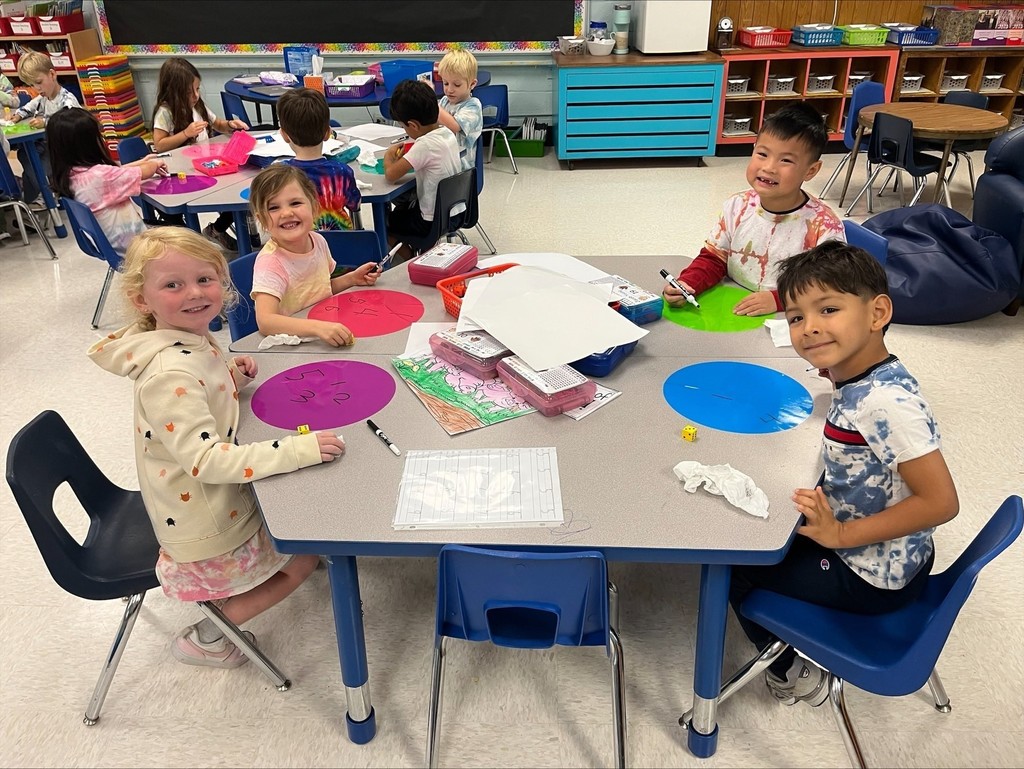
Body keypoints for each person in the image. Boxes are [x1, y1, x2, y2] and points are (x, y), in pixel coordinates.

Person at [87, 227, 344, 668]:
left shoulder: (185, 335)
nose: (194, 293)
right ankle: (208, 636)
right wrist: (296, 450)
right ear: (142, 300)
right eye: (173, 284)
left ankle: (221, 612)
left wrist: (230, 376)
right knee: (302, 562)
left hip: (201, 500)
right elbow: (206, 460)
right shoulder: (169, 372)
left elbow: (197, 397)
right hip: (205, 516)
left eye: (204, 279)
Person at [728, 241, 959, 706]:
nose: (809, 327)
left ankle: (789, 672)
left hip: (870, 573)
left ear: (878, 313)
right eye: (796, 317)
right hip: (890, 550)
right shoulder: (863, 374)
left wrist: (841, 535)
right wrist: (835, 372)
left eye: (828, 309)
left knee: (734, 564)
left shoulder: (884, 402)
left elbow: (941, 502)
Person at [664, 102, 845, 317]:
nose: (769, 167)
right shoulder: (737, 206)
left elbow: (828, 286)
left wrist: (779, 299)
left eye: (786, 160)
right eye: (762, 154)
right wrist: (687, 283)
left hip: (789, 319)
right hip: (733, 309)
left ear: (811, 170)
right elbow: (714, 258)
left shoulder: (825, 226)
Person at [248, 164, 379, 345]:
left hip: (323, 335)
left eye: (295, 203)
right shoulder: (271, 263)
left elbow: (319, 290)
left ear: (314, 206)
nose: (286, 213)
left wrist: (352, 279)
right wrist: (317, 327)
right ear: (261, 219)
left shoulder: (318, 241)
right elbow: (266, 321)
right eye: (273, 208)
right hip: (293, 346)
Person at [150, 57, 247, 251]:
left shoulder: (198, 106)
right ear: (173, 91)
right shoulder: (165, 112)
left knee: (238, 196)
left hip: (207, 167)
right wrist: (186, 133)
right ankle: (192, 244)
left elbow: (217, 124)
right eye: (189, 92)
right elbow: (159, 145)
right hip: (182, 175)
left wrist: (230, 125)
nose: (195, 96)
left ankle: (216, 230)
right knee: (179, 215)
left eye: (197, 89)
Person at [47, 108, 167, 256]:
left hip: (113, 245)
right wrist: (155, 164)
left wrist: (142, 162)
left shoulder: (71, 175)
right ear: (88, 144)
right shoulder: (102, 176)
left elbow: (115, 173)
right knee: (186, 233)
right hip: (135, 248)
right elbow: (144, 172)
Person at [383, 79, 462, 255]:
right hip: (455, 213)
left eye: (403, 126)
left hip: (430, 222)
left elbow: (391, 175)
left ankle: (410, 258)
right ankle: (421, 250)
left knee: (385, 224)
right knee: (402, 211)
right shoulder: (447, 133)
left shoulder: (424, 145)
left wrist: (388, 156)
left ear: (413, 125)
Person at [276, 87, 361, 230]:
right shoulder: (342, 171)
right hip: (341, 241)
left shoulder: (279, 174)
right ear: (328, 133)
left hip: (299, 240)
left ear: (284, 135)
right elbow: (355, 204)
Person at [11, 50, 80, 205]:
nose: (37, 88)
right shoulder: (44, 97)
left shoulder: (67, 99)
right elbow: (30, 105)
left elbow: (67, 123)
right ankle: (33, 197)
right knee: (25, 154)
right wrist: (19, 115)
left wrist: (46, 122)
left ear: (52, 74)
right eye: (32, 85)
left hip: (66, 151)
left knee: (33, 162)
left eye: (39, 82)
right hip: (50, 144)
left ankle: (47, 193)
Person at [436, 48, 482, 172]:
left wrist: (431, 103)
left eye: (457, 85)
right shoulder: (444, 101)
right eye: (445, 83)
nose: (449, 90)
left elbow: (454, 126)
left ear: (472, 84)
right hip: (442, 161)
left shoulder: (473, 106)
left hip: (461, 169)